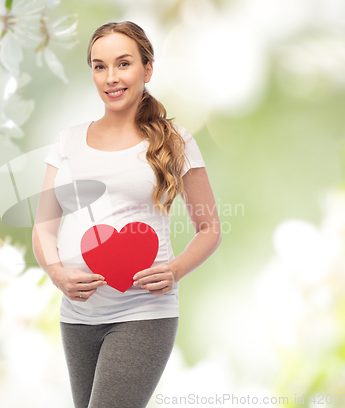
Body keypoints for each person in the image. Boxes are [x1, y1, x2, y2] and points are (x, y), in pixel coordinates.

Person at [32, 20, 222, 408]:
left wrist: (175, 270)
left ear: (147, 70)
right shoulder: (68, 140)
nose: (110, 77)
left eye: (123, 64)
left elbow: (209, 227)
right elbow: (43, 227)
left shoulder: (175, 140)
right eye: (99, 66)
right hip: (77, 317)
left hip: (144, 313)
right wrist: (56, 273)